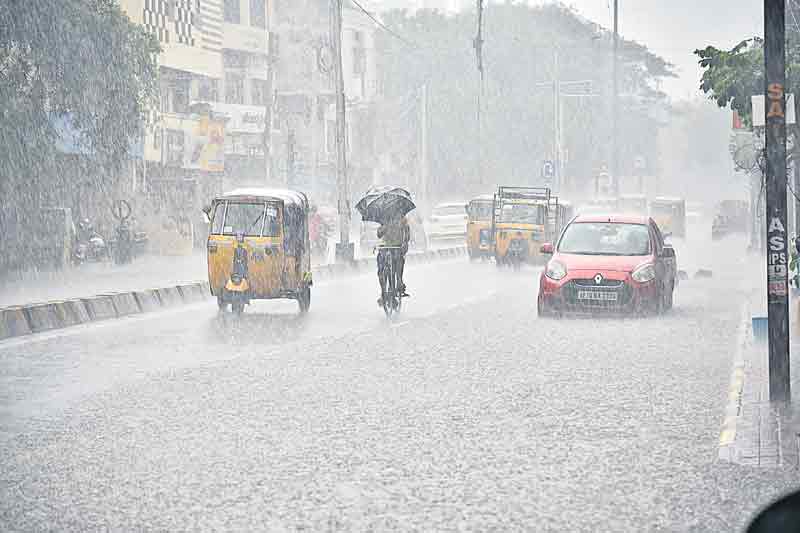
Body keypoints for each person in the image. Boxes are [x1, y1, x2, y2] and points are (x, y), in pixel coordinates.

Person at [376, 212, 411, 303]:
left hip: (397, 247)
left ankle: (399, 281)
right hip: (385, 247)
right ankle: (383, 293)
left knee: (398, 262)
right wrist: (383, 228)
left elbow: (407, 233)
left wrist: (405, 243)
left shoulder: (402, 218)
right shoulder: (383, 219)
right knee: (380, 269)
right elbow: (379, 234)